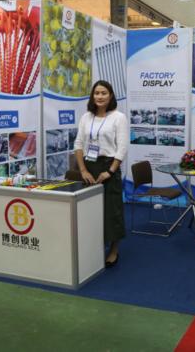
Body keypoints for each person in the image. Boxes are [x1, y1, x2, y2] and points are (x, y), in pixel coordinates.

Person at [74, 80, 128, 268]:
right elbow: (78, 144)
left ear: (110, 95)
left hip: (108, 167)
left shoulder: (118, 117)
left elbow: (122, 148)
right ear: (92, 96)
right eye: (96, 93)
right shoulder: (86, 117)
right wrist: (83, 170)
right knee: (90, 208)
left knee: (112, 210)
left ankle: (113, 249)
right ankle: (93, 244)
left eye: (104, 93)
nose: (100, 96)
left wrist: (110, 171)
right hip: (89, 167)